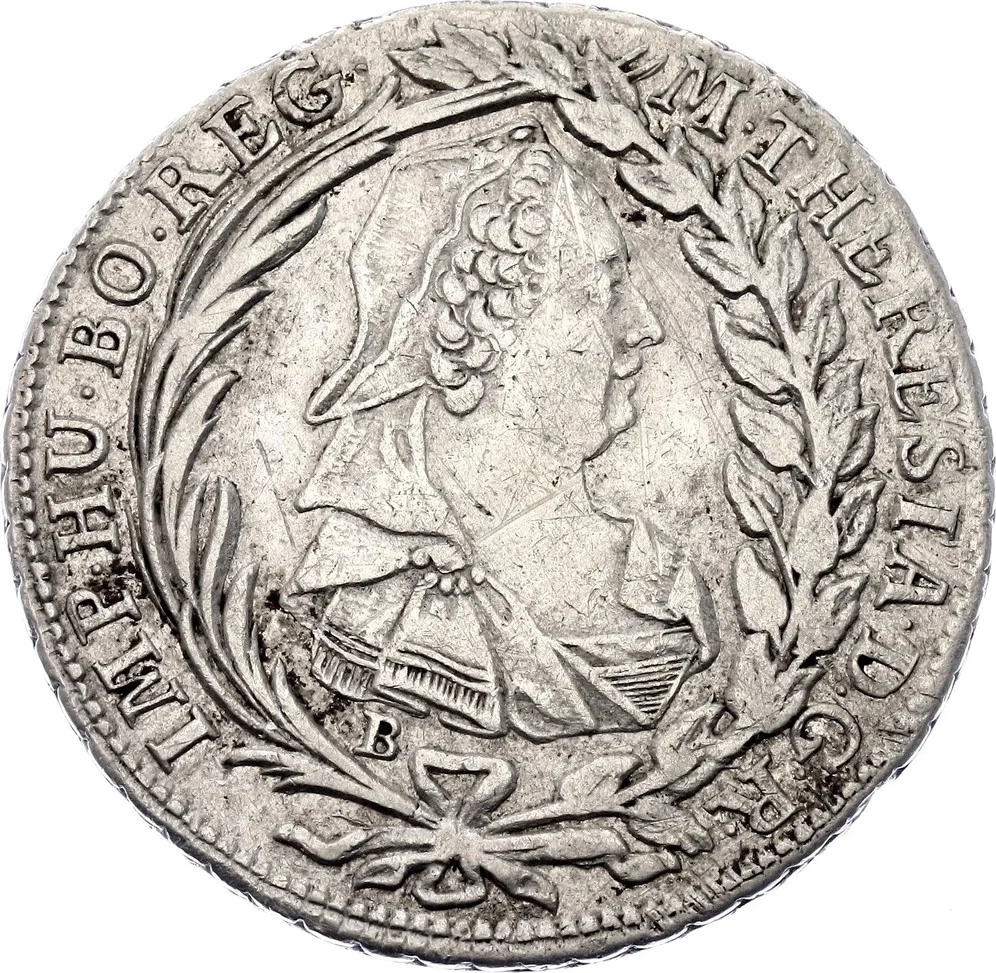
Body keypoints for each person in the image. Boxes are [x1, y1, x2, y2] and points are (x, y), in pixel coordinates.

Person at [284, 120, 718, 741]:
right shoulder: (372, 602)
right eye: (604, 290)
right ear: (479, 329)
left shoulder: (662, 584)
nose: (645, 327)